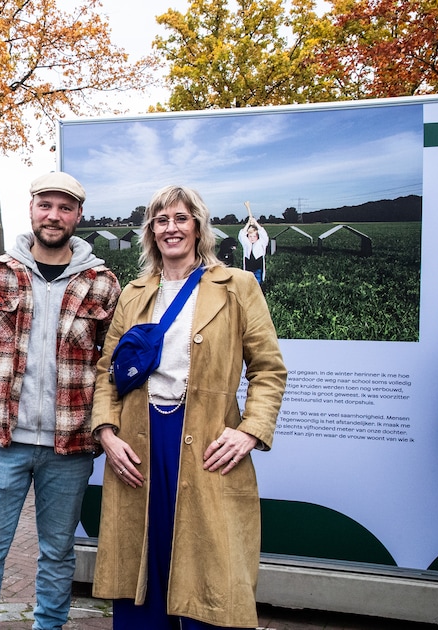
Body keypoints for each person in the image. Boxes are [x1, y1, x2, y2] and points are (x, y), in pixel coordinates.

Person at [91, 185, 287, 629]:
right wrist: (106, 433)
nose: (171, 228)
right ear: (151, 232)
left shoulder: (237, 286)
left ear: (198, 226)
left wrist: (250, 430)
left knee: (209, 571)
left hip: (206, 442)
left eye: (180, 218)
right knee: (141, 569)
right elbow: (107, 371)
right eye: (161, 220)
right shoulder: (134, 293)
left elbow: (269, 369)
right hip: (139, 445)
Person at [0, 171, 121, 630]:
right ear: (32, 208)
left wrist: (104, 426)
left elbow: (113, 366)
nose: (54, 215)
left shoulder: (103, 283)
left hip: (70, 448)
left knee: (58, 554)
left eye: (65, 208)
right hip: (0, 443)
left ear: (78, 216)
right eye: (46, 205)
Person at [238, 214, 268, 284]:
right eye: (250, 236)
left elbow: (263, 234)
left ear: (258, 237)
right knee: (248, 284)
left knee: (258, 284)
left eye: (254, 236)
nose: (252, 238)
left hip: (258, 269)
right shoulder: (246, 244)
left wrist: (255, 223)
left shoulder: (261, 243)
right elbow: (241, 235)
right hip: (248, 269)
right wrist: (248, 223)